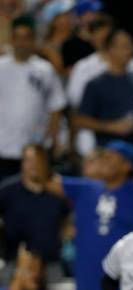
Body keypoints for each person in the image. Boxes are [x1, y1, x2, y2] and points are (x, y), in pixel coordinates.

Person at [48, 140, 133, 290]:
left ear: (127, 165)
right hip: (87, 284)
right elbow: (46, 181)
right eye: (103, 157)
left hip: (127, 289)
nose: (103, 162)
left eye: (111, 158)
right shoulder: (85, 188)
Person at [0, 15, 66, 181]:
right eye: (18, 38)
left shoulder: (45, 69)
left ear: (34, 40)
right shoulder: (1, 67)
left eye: (27, 38)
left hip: (35, 148)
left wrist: (53, 139)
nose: (22, 43)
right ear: (11, 39)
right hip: (2, 148)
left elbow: (56, 107)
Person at [0, 144, 70, 288]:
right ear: (22, 163)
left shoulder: (58, 192)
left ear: (46, 163)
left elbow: (69, 221)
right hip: (14, 262)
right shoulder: (7, 191)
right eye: (28, 160)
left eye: (38, 161)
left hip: (51, 263)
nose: (33, 165)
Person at [76, 29, 133, 161]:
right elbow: (81, 120)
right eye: (124, 47)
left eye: (130, 46)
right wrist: (111, 126)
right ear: (110, 50)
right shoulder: (96, 84)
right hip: (109, 155)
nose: (129, 50)